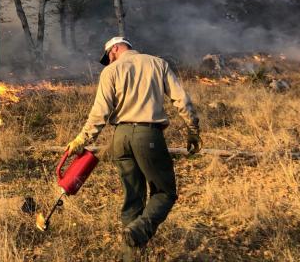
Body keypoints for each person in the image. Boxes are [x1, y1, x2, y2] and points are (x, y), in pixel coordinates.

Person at [65, 37, 201, 261]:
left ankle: (131, 257)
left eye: (109, 54)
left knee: (133, 199)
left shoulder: (111, 72)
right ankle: (138, 231)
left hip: (121, 138)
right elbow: (181, 99)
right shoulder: (158, 64)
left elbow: (100, 112)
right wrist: (193, 128)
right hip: (149, 135)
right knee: (165, 193)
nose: (109, 60)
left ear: (116, 48)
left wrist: (82, 138)